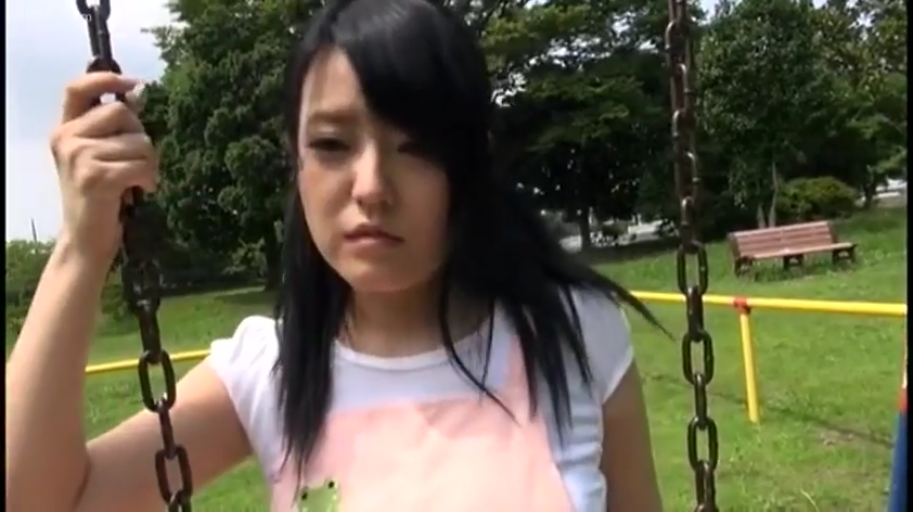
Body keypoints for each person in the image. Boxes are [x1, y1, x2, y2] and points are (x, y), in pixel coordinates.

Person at [6, 0, 665, 510]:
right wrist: (81, 250)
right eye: (331, 145)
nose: (371, 187)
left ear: (468, 166)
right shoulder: (271, 372)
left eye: (416, 147)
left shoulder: (573, 335)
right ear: (295, 164)